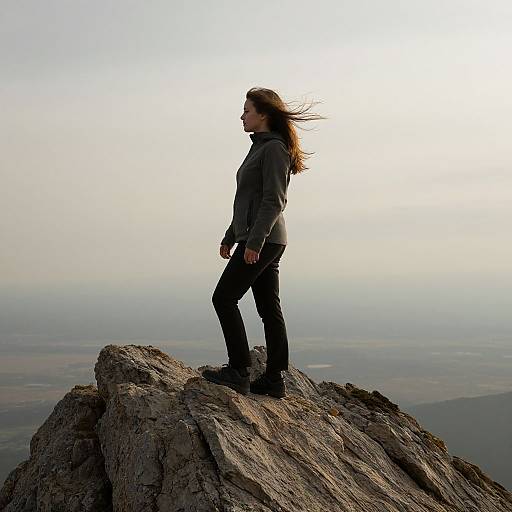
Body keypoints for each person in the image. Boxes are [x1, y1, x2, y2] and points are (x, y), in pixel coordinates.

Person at [202, 87, 325, 398]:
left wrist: (253, 242)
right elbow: (248, 199)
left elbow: (273, 200)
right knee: (269, 308)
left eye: (247, 110)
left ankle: (239, 370)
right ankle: (274, 379)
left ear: (264, 114)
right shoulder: (260, 147)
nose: (242, 116)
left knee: (224, 299)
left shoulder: (273, 149)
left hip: (264, 239)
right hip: (264, 238)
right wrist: (232, 235)